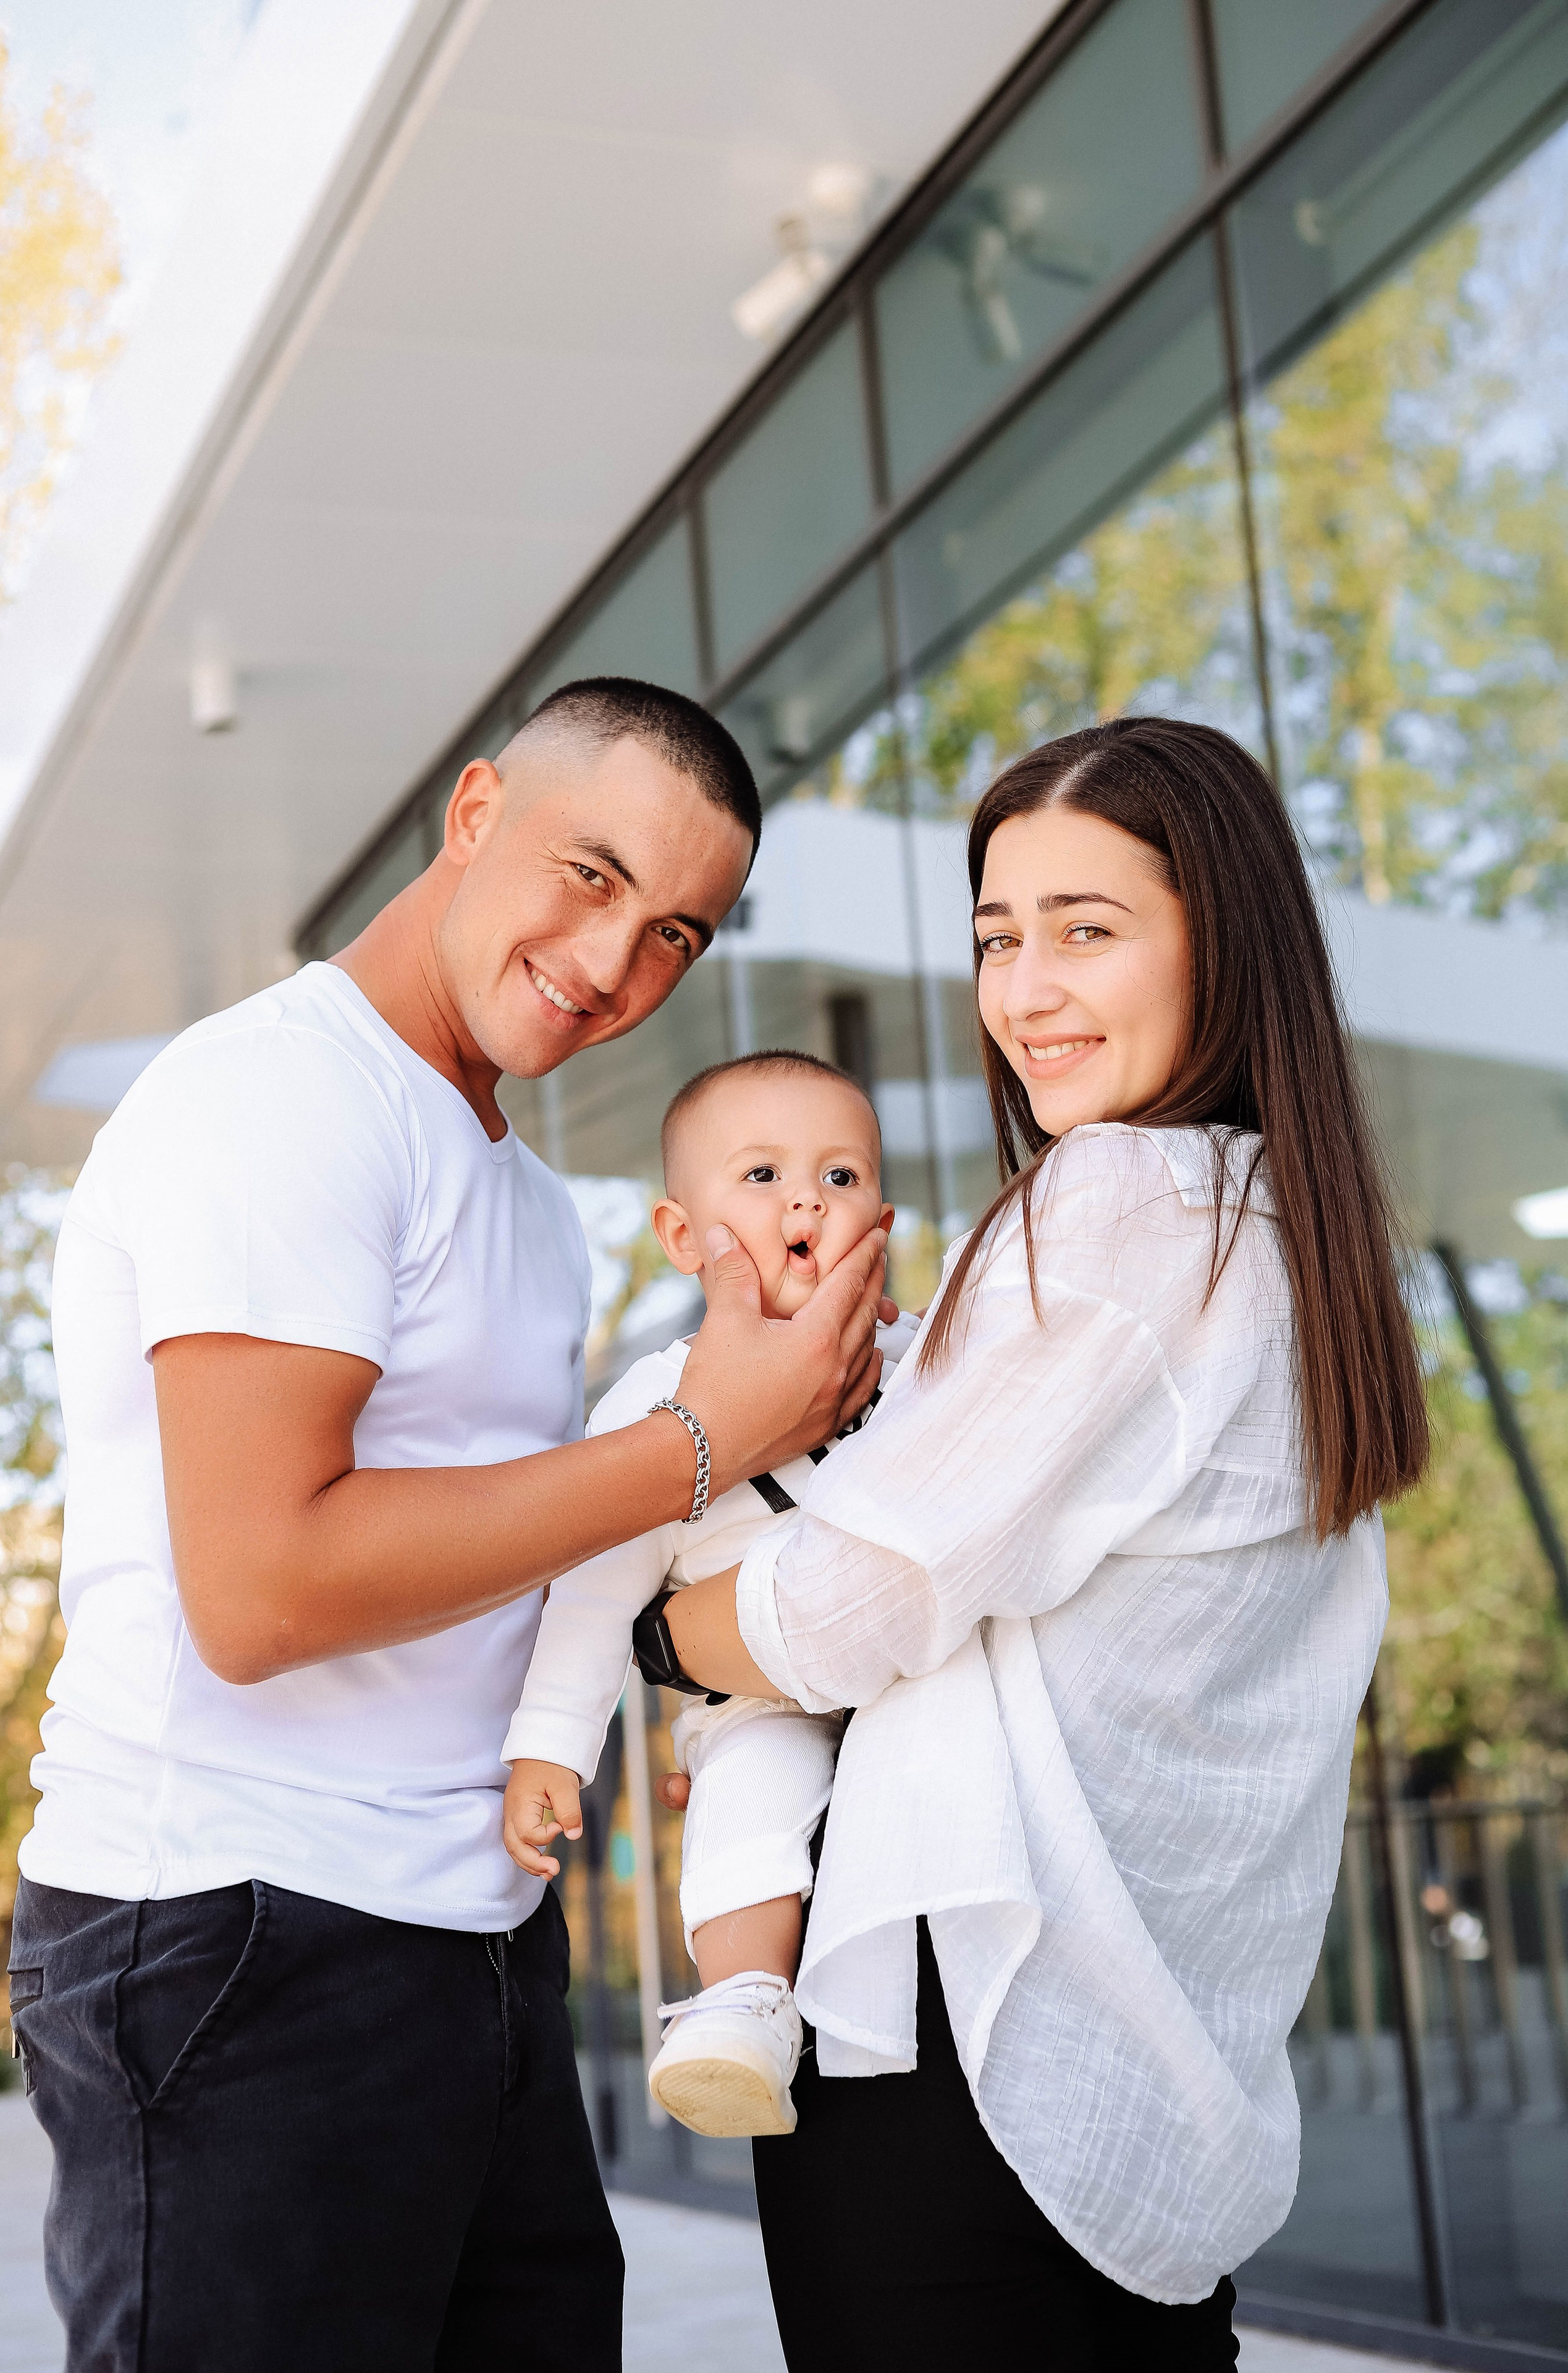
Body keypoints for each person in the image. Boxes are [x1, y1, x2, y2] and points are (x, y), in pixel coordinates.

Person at [6, 677, 888, 2373]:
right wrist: (708, 1438)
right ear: (474, 814)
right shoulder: (282, 1099)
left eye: (678, 935)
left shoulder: (528, 1199)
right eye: (592, 874)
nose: (618, 961)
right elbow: (262, 1590)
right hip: (234, 1928)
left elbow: (525, 1550)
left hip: (468, 1938)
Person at [658, 717, 1430, 2368]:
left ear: (1224, 941)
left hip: (974, 2034)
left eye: (1088, 928)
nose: (1027, 991)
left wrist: (665, 1637)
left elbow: (862, 1594)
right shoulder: (1291, 1233)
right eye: (1002, 938)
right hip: (1136, 2074)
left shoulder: (1127, 1208)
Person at [504, 1049, 919, 2138]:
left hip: (920, 1700)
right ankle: (743, 2009)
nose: (805, 1203)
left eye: (840, 1178)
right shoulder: (658, 1400)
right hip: (756, 1703)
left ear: (882, 1217)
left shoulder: (930, 1362)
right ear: (683, 1238)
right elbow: (595, 1592)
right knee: (748, 1808)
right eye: (763, 1176)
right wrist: (553, 1745)